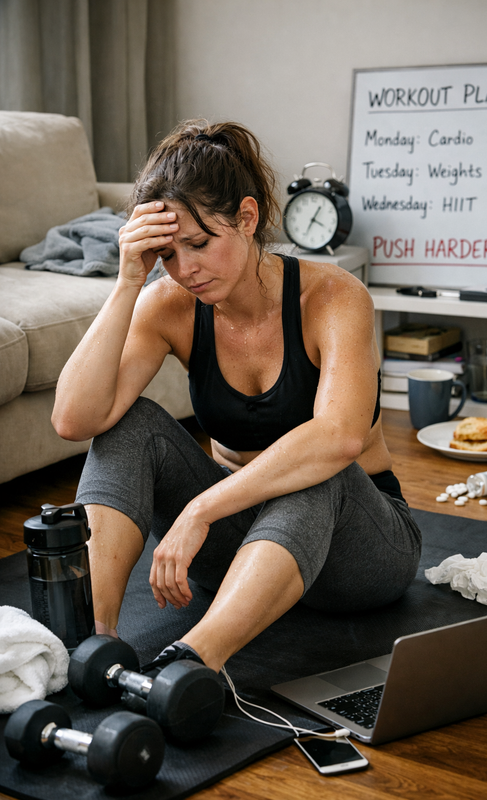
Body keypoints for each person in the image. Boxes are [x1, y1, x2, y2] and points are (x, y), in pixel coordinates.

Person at [52, 120, 421, 674]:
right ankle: (88, 645)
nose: (186, 270)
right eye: (168, 255)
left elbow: (339, 436)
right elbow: (74, 419)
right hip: (239, 546)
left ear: (247, 218)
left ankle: (193, 665)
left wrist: (200, 509)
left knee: (318, 464)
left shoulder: (334, 297)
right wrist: (129, 283)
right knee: (129, 425)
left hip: (358, 550)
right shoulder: (169, 301)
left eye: (199, 244)